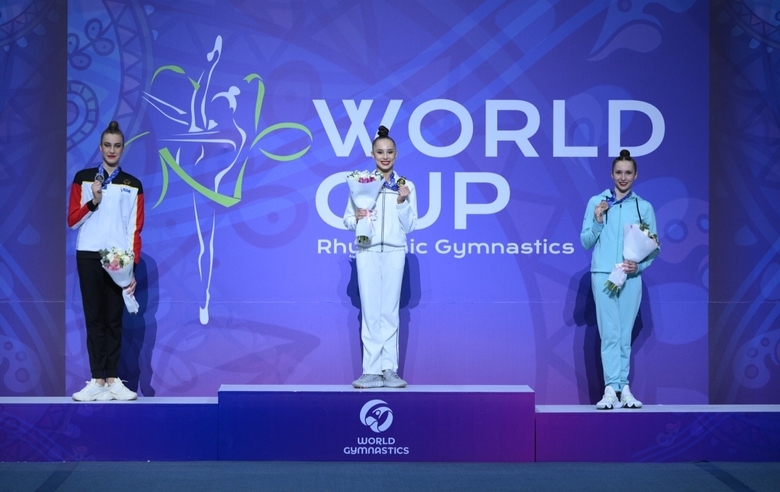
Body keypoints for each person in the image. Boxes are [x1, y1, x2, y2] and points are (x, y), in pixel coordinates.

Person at [67, 121, 144, 401]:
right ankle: (96, 379)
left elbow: (134, 228)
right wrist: (93, 201)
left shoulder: (132, 184)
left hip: (117, 259)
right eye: (107, 145)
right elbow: (72, 220)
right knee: (94, 318)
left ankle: (112, 380)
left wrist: (130, 267)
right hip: (88, 253)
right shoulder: (84, 178)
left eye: (117, 145)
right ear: (100, 147)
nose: (112, 150)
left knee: (114, 319)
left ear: (123, 149)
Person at [580, 149, 659, 409]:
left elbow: (654, 246)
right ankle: (611, 390)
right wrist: (598, 221)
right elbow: (585, 241)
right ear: (611, 174)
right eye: (618, 172)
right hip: (603, 275)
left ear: (635, 175)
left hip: (630, 277)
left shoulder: (643, 206)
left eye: (628, 173)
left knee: (624, 335)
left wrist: (639, 266)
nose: (623, 178)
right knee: (610, 334)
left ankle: (623, 389)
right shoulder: (597, 203)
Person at [344, 126, 418, 389]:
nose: (384, 157)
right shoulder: (362, 182)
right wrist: (357, 218)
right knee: (371, 312)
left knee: (389, 312)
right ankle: (370, 371)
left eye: (389, 152)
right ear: (372, 154)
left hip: (395, 252)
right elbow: (346, 219)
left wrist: (402, 202)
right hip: (367, 251)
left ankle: (389, 370)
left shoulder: (406, 185)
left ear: (396, 154)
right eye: (379, 152)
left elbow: (410, 226)